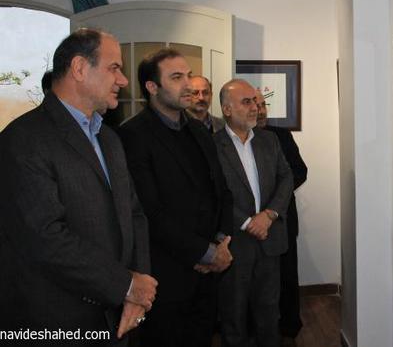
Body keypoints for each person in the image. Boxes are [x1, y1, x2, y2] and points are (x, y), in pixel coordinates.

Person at [0, 28, 156, 345]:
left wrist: (137, 291)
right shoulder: (23, 140)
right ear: (80, 68)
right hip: (55, 320)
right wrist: (126, 285)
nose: (123, 80)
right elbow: (45, 238)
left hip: (118, 316)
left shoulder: (109, 139)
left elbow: (134, 216)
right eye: (114, 68)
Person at [118, 49, 233, 347]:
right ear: (152, 87)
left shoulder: (199, 130)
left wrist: (220, 243)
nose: (188, 84)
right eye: (177, 77)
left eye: (188, 75)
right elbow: (150, 212)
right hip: (166, 279)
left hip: (207, 278)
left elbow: (221, 191)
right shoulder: (132, 135)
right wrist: (204, 253)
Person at [214, 79, 293, 347]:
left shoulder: (269, 140)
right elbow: (214, 194)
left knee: (269, 314)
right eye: (246, 102)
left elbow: (286, 177)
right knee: (233, 316)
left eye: (256, 103)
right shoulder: (212, 145)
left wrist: (269, 215)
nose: (255, 108)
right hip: (234, 244)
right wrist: (248, 222)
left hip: (270, 240)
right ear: (227, 109)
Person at [255, 90, 308, 344]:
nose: (260, 110)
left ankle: (289, 329)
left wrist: (273, 201)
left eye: (263, 104)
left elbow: (299, 171)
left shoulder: (281, 135)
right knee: (254, 279)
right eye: (254, 104)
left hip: (282, 219)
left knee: (286, 275)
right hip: (249, 223)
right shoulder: (233, 139)